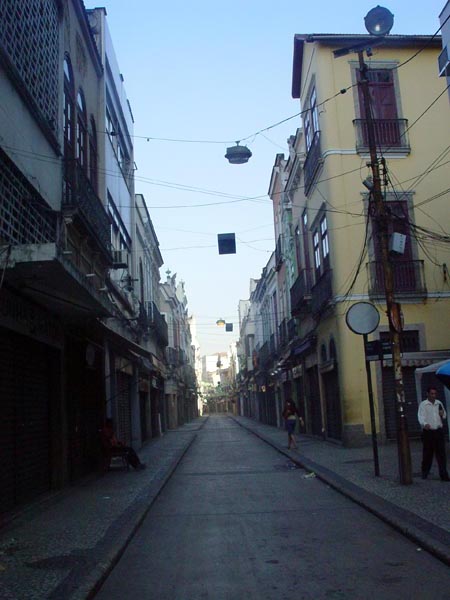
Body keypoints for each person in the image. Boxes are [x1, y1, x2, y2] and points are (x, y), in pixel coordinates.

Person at [417, 387, 449, 481]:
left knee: (441, 454)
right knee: (427, 454)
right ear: (427, 394)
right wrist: (424, 423)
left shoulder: (439, 403)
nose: (433, 395)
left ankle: (444, 475)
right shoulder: (423, 404)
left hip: (438, 431)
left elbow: (444, 415)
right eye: (432, 393)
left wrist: (442, 414)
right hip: (429, 432)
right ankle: (425, 472)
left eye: (435, 393)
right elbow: (420, 416)